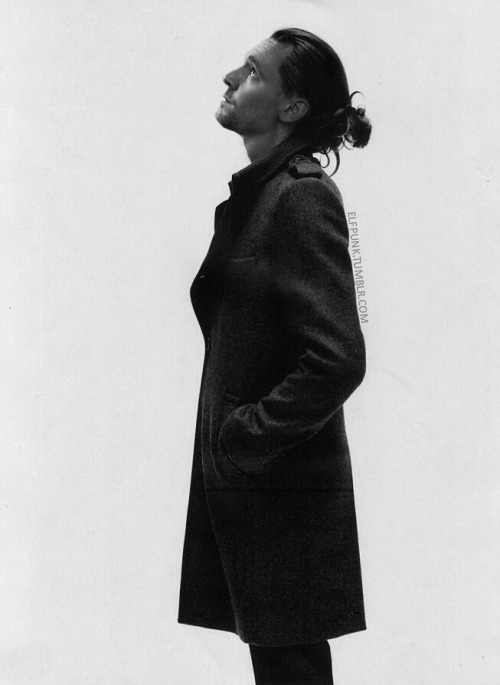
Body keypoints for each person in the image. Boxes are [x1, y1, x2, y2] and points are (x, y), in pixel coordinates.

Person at [178, 27, 372, 685]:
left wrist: (244, 439)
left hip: (281, 492)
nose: (231, 79)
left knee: (291, 668)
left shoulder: (299, 196)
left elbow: (338, 357)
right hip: (259, 491)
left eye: (253, 72)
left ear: (292, 107)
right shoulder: (259, 195)